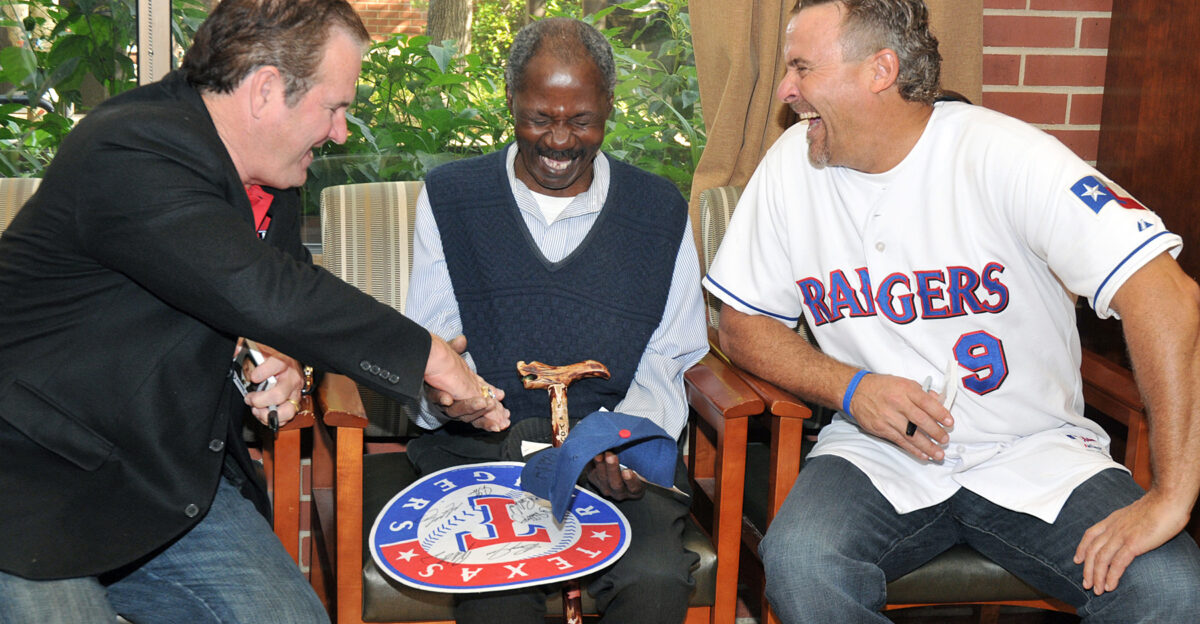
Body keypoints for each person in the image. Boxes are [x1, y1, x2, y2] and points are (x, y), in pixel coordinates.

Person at [0, 1, 507, 622]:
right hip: (30, 480)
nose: (342, 132)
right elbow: (262, 290)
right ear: (267, 89)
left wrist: (281, 363)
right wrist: (427, 355)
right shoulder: (130, 147)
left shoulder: (272, 177)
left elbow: (252, 309)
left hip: (164, 479)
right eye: (335, 107)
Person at [703, 1, 1200, 622]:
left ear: (880, 70)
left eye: (802, 67)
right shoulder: (791, 167)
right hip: (875, 452)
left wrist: (1173, 495)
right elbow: (741, 325)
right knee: (804, 562)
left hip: (1035, 448)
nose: (786, 89)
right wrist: (850, 387)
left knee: (1170, 586)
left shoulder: (1006, 153)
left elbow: (1168, 296)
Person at [404, 17, 708, 624]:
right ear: (511, 102)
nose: (560, 141)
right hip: (485, 460)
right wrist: (445, 400)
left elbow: (670, 356)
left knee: (656, 580)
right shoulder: (451, 197)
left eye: (581, 120)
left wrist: (625, 446)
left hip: (614, 463)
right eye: (540, 118)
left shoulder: (658, 210)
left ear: (609, 109)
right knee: (496, 591)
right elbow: (433, 347)